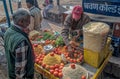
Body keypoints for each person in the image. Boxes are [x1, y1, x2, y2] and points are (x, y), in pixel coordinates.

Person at [4, 8, 34, 79]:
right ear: (21, 22)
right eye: (28, 21)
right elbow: (20, 71)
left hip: (11, 70)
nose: (29, 23)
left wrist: (24, 34)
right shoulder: (21, 42)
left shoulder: (9, 31)